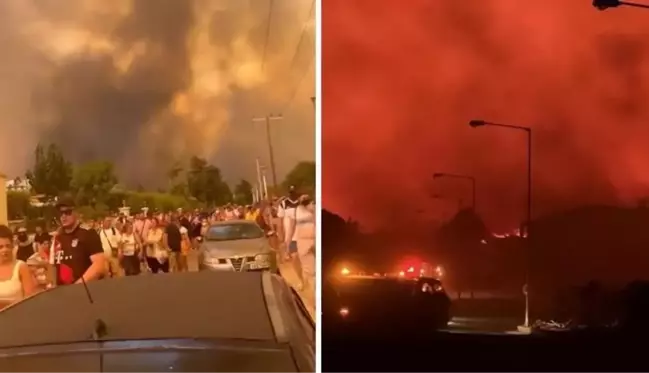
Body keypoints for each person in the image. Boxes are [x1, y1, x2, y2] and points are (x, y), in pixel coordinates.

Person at [50, 195, 107, 286]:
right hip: (62, 293)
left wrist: (78, 285)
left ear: (76, 212)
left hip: (86, 290)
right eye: (60, 213)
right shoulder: (58, 237)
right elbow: (53, 265)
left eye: (67, 212)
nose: (63, 216)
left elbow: (99, 265)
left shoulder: (88, 233)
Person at [277, 186, 303, 289]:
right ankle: (301, 279)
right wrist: (281, 236)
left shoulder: (302, 203)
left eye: (294, 192)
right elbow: (279, 222)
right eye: (291, 192)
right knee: (295, 259)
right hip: (290, 237)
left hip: (303, 235)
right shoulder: (283, 204)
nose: (293, 194)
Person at [295, 195, 316, 298]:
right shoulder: (299, 211)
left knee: (311, 271)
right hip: (305, 241)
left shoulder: (300, 210)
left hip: (307, 241)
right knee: (311, 271)